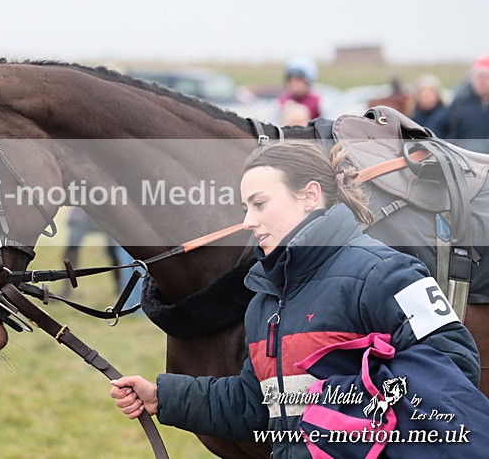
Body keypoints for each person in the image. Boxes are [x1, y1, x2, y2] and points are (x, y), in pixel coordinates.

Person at [110, 140, 480, 457]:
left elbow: (455, 366)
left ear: (309, 196)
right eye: (245, 209)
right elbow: (253, 403)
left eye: (259, 203)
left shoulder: (387, 272)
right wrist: (162, 397)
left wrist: (346, 410)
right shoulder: (265, 299)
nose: (249, 222)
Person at [447, 53, 489, 153]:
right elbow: (445, 129)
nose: (481, 81)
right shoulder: (459, 102)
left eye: (486, 77)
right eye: (478, 77)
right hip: (466, 159)